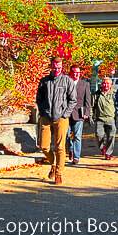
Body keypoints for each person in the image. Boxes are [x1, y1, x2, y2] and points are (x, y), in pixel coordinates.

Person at [35, 56, 77, 184]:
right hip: (46, 117)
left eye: (59, 67)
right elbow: (39, 99)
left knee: (60, 147)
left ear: (62, 67)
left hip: (61, 118)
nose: (57, 69)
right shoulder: (44, 81)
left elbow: (73, 100)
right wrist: (42, 112)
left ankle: (58, 173)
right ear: (51, 66)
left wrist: (65, 114)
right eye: (54, 66)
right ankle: (53, 163)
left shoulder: (67, 81)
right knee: (43, 146)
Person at [66, 64, 91, 165]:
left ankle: (76, 157)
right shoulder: (66, 83)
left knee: (77, 136)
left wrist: (87, 113)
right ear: (70, 73)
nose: (76, 74)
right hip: (66, 113)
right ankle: (70, 149)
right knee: (67, 135)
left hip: (79, 114)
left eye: (78, 73)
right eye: (74, 72)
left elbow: (88, 100)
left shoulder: (84, 84)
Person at [92, 77, 116, 160]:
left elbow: (117, 106)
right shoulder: (96, 94)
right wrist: (91, 117)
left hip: (110, 119)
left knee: (111, 136)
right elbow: (92, 107)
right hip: (99, 119)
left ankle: (108, 153)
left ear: (111, 85)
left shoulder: (114, 94)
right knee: (99, 135)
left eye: (108, 83)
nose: (106, 85)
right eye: (104, 83)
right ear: (101, 84)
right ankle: (102, 148)